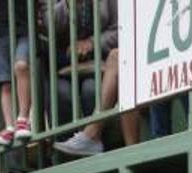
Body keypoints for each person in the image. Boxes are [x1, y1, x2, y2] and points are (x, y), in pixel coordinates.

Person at [48, 1, 133, 157]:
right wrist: (69, 5)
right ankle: (65, 156)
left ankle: (101, 150)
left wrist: (92, 43)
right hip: (64, 66)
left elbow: (119, 29)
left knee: (91, 90)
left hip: (100, 63)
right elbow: (46, 25)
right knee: (60, 93)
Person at [0, 0, 34, 148]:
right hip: (1, 33)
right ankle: (9, 127)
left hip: (25, 29)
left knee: (21, 66)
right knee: (5, 83)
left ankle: (23, 118)